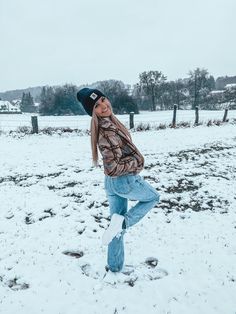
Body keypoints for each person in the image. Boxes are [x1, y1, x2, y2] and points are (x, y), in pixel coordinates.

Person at [77, 87, 160, 273]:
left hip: (112, 184)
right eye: (97, 106)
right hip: (124, 181)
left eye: (103, 100)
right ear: (93, 112)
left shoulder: (110, 123)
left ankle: (114, 267)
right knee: (153, 197)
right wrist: (136, 161)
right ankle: (123, 222)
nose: (104, 106)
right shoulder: (105, 133)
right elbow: (113, 167)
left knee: (115, 227)